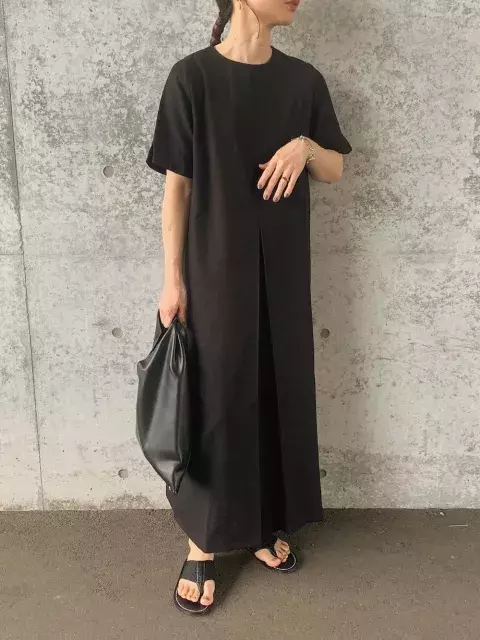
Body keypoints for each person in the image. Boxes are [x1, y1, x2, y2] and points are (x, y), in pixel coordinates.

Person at [145, 0, 352, 615]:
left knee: (275, 391)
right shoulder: (192, 78)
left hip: (284, 272)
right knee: (216, 402)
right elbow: (177, 190)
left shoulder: (303, 81)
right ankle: (203, 542)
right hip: (213, 270)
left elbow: (336, 168)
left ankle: (261, 526)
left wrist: (305, 148)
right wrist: (172, 280)